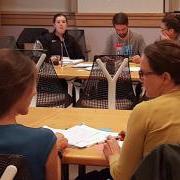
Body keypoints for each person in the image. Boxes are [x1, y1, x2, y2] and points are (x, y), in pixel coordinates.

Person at [103, 40, 180, 180]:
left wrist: (113, 154)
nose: (141, 79)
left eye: (143, 73)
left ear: (165, 78)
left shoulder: (145, 111)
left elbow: (122, 176)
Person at [0, 49, 68, 180]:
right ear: (21, 90)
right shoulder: (43, 140)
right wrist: (55, 151)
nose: (35, 92)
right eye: (33, 84)